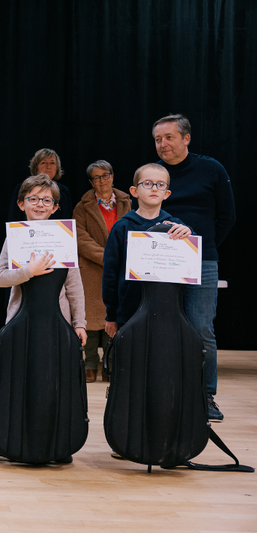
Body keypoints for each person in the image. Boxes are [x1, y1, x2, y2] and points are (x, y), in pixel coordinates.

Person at [152, 114, 236, 422]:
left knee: (201, 328)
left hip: (202, 260)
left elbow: (227, 217)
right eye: (158, 139)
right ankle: (167, 394)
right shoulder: (154, 173)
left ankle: (206, 396)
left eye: (169, 137)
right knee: (163, 328)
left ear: (186, 138)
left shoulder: (211, 169)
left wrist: (202, 246)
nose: (163, 144)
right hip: (159, 261)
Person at [0, 174, 87, 345]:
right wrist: (28, 271)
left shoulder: (64, 238)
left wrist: (79, 323)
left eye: (46, 200)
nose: (40, 204)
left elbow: (74, 286)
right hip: (21, 321)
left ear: (55, 207)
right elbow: (0, 278)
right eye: (34, 198)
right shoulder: (14, 238)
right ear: (21, 204)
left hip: (58, 322)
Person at [102, 164, 192, 339]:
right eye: (148, 183)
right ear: (134, 191)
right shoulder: (121, 227)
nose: (154, 189)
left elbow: (191, 260)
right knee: (132, 359)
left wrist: (189, 233)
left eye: (160, 185)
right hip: (129, 311)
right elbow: (110, 274)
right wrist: (111, 315)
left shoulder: (176, 227)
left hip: (168, 310)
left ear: (167, 194)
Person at [74, 160, 131, 382]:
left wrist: (118, 258)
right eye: (97, 177)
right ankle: (89, 365)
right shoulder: (82, 207)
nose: (102, 180)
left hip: (120, 268)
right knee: (90, 317)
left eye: (105, 175)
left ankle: (109, 364)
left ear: (112, 176)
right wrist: (107, 257)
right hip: (90, 268)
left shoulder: (128, 202)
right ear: (91, 182)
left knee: (113, 315)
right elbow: (80, 238)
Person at [7, 149, 73, 222]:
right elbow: (14, 217)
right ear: (36, 167)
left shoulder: (64, 191)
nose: (48, 166)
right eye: (43, 162)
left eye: (52, 163)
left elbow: (68, 218)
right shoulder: (22, 187)